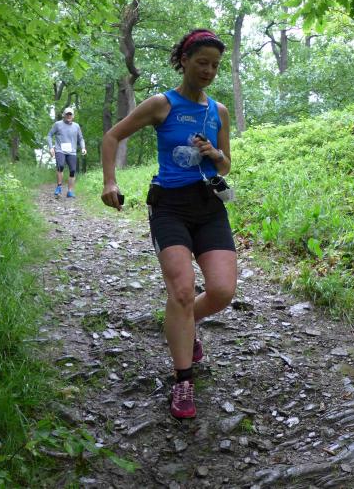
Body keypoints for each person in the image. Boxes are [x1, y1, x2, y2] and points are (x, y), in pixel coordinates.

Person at [101, 29, 236, 419]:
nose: (209, 70)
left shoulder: (219, 111)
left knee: (222, 291)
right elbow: (112, 136)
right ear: (184, 60)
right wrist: (110, 182)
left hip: (209, 205)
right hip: (169, 207)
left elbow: (226, 166)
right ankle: (183, 380)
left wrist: (214, 154)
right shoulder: (162, 104)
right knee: (181, 292)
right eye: (202, 62)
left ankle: (186, 324)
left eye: (215, 65)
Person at [48, 107, 86, 198]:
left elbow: (81, 138)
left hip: (71, 151)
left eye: (70, 114)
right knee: (60, 166)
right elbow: (49, 135)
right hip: (60, 150)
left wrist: (83, 148)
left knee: (72, 170)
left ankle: (70, 191)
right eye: (67, 114)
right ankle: (59, 187)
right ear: (63, 115)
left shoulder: (76, 126)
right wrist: (51, 147)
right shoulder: (58, 124)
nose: (69, 116)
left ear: (73, 116)